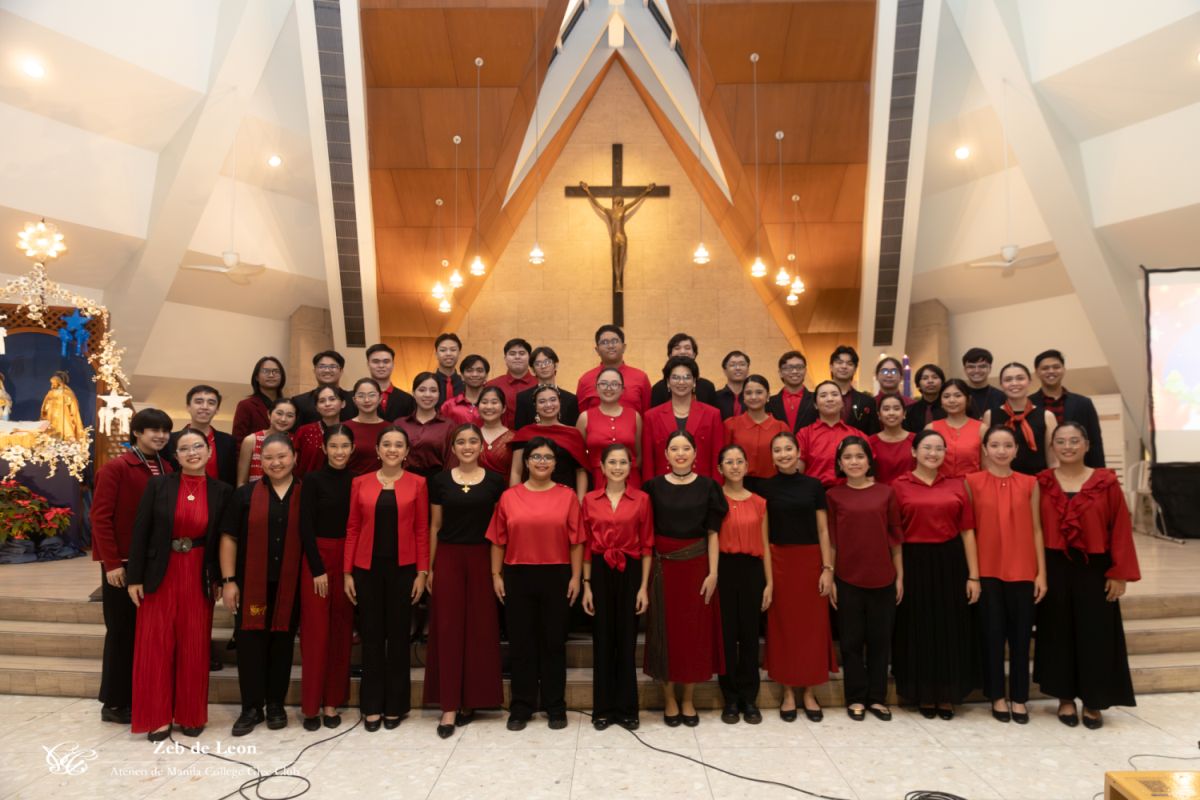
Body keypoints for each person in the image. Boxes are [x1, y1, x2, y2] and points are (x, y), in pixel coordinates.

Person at [127, 427, 233, 741]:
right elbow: (140, 531)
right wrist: (134, 577)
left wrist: (220, 577)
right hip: (160, 572)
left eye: (197, 446)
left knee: (194, 645)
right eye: (184, 448)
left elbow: (220, 541)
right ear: (175, 456)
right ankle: (157, 717)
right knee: (155, 645)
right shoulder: (158, 485)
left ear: (209, 452)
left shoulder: (222, 491)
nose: (192, 453)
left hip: (198, 572)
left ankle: (190, 715)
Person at [1035, 421, 1140, 730]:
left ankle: (1094, 699)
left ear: (1087, 445)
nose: (1068, 446)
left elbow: (1120, 528)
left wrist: (1118, 573)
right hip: (1054, 566)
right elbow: (1034, 530)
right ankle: (1065, 698)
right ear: (1052, 446)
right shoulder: (1041, 482)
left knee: (1097, 634)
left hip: (1095, 568)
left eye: (1074, 441)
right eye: (1061, 441)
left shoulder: (1105, 482)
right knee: (1056, 631)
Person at [488, 438, 586, 731]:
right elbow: (498, 539)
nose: (542, 462)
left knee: (554, 643)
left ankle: (555, 706)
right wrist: (496, 575)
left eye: (547, 457)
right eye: (536, 457)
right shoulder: (510, 497)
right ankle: (522, 706)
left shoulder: (567, 496)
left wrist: (576, 577)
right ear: (526, 462)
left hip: (557, 574)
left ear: (556, 464)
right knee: (521, 644)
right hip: (517, 574)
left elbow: (577, 540)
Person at [344, 427, 430, 731]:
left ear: (406, 452)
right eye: (387, 445)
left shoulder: (418, 483)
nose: (392, 450)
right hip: (366, 569)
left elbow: (422, 530)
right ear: (377, 450)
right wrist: (347, 572)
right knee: (371, 638)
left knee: (397, 638)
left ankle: (395, 705)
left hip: (403, 569)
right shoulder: (360, 483)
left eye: (398, 445)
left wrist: (422, 571)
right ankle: (371, 706)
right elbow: (353, 528)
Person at [91, 408, 174, 725]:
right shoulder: (117, 467)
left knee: (145, 634)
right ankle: (113, 702)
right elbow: (100, 519)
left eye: (165, 430)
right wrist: (111, 563)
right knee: (122, 633)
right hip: (123, 564)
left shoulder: (165, 467)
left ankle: (138, 694)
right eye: (153, 429)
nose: (160, 436)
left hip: (152, 564)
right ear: (137, 432)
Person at [219, 433, 305, 736]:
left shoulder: (305, 493)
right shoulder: (245, 494)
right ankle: (250, 707)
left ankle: (275, 704)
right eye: (268, 457)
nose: (276, 462)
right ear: (261, 461)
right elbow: (229, 537)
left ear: (294, 457)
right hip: (250, 584)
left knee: (282, 645)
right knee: (250, 646)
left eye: (282, 456)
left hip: (290, 586)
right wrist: (229, 581)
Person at [891, 429, 981, 719]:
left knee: (949, 628)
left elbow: (968, 531)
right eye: (927, 448)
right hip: (914, 561)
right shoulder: (899, 485)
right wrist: (899, 575)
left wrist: (974, 576)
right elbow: (896, 535)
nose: (933, 453)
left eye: (939, 448)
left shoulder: (957, 484)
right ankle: (923, 692)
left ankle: (947, 693)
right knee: (917, 628)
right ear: (914, 452)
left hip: (951, 562)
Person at [642, 431, 728, 727]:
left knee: (694, 633)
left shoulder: (709, 487)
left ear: (695, 453)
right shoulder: (651, 488)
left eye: (686, 448)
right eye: (674, 448)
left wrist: (713, 573)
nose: (680, 453)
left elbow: (713, 533)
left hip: (697, 567)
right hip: (662, 567)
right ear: (665, 454)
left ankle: (688, 698)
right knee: (665, 632)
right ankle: (668, 699)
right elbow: (646, 535)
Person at [425, 425, 506, 738]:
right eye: (461, 442)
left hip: (483, 557)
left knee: (480, 628)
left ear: (481, 447)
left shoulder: (495, 482)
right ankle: (448, 705)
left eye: (473, 441)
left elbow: (499, 531)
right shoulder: (440, 481)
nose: (468, 446)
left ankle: (472, 699)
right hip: (448, 557)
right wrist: (429, 568)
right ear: (453, 448)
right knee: (447, 628)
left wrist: (497, 571)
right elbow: (435, 526)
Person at [749, 432, 835, 722]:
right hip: (781, 560)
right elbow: (763, 535)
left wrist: (827, 568)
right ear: (771, 456)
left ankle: (809, 692)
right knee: (783, 627)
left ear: (799, 452)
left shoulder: (814, 486)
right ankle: (787, 692)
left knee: (812, 628)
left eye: (789, 449)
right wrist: (769, 576)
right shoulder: (765, 488)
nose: (784, 454)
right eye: (777, 450)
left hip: (811, 561)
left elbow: (824, 531)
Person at [966, 426, 1046, 725]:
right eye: (995, 445)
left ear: (1016, 450)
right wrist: (972, 574)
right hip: (987, 570)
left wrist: (1042, 574)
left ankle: (1021, 698)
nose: (1001, 451)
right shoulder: (971, 482)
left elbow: (1038, 529)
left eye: (1007, 445)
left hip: (1023, 570)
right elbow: (969, 531)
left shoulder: (1030, 483)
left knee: (1022, 637)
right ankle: (997, 695)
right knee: (992, 635)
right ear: (985, 449)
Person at [826, 436, 903, 722]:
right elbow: (831, 541)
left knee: (880, 641)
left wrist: (900, 576)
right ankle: (855, 697)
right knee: (851, 641)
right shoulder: (834, 496)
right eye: (848, 457)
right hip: (848, 578)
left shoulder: (886, 493)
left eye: (859, 456)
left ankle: (877, 698)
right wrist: (831, 576)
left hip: (883, 577)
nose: (854, 462)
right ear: (840, 463)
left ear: (869, 460)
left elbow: (895, 537)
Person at [581, 443, 653, 731]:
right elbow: (585, 545)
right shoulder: (589, 500)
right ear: (602, 465)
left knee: (626, 639)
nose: (618, 467)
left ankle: (627, 708)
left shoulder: (642, 499)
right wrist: (586, 585)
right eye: (612, 462)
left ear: (630, 466)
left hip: (631, 570)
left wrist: (643, 587)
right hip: (598, 569)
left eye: (623, 462)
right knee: (602, 638)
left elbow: (647, 544)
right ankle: (603, 708)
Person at [298, 424, 355, 731]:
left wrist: (349, 568)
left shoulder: (357, 482)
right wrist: (317, 568)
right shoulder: (312, 479)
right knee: (316, 634)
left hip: (346, 558)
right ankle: (310, 706)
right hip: (316, 560)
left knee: (341, 633)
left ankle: (332, 703)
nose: (339, 452)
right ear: (324, 449)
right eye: (334, 446)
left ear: (352, 449)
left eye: (344, 446)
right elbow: (305, 525)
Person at [714, 444, 771, 725]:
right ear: (719, 468)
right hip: (724, 569)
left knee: (749, 636)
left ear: (747, 466)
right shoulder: (714, 499)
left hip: (751, 571)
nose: (735, 466)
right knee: (726, 636)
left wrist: (769, 582)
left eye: (739, 461)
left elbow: (765, 545)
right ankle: (730, 698)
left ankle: (749, 698)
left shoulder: (760, 502)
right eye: (729, 462)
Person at [641, 356, 724, 481]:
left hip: (702, 487)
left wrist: (716, 490)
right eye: (675, 377)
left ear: (695, 382)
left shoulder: (712, 414)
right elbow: (648, 461)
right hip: (663, 487)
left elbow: (717, 456)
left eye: (687, 377)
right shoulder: (651, 416)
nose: (681, 382)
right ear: (668, 382)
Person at [510, 385, 589, 499]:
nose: (548, 405)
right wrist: (515, 499)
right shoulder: (524, 433)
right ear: (535, 407)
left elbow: (580, 471)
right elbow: (516, 471)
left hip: (565, 497)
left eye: (553, 400)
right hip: (531, 496)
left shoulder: (573, 434)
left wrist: (580, 501)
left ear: (560, 403)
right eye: (542, 401)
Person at [1031, 349, 1106, 468]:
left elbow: (1095, 443)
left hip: (1079, 472)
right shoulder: (1029, 404)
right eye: (1045, 368)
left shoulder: (1083, 403)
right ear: (1037, 373)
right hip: (1041, 474)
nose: (1051, 371)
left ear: (1064, 370)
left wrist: (1100, 476)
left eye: (1056, 367)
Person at [981, 363, 1058, 475]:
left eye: (1020, 378)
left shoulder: (1047, 416)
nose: (1014, 383)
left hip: (1037, 481)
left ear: (1029, 381)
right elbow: (987, 459)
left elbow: (1053, 461)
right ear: (1001, 384)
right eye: (1008, 380)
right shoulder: (990, 415)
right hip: (1001, 482)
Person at [577, 367, 642, 489]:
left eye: (614, 384)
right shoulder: (584, 417)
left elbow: (639, 455)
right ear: (596, 388)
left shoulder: (634, 416)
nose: (608, 388)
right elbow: (579, 459)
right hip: (597, 481)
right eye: (603, 384)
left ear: (623, 389)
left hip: (630, 482)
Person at [164, 385, 238, 486]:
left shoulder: (228, 441)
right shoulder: (170, 440)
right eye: (198, 402)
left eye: (211, 403)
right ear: (188, 407)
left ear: (217, 410)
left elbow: (232, 478)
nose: (204, 407)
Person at [797, 380, 865, 487]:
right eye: (823, 395)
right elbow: (797, 473)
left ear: (842, 403)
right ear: (815, 404)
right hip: (815, 495)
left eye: (834, 394)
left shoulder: (857, 434)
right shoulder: (804, 434)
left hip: (849, 492)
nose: (830, 399)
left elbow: (868, 471)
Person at [576, 324, 653, 414]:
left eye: (615, 341)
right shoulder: (585, 380)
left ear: (624, 347)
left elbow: (648, 415)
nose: (610, 346)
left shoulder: (641, 378)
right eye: (604, 342)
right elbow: (580, 418)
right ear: (597, 350)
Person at [723, 374, 788, 479]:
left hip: (773, 486)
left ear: (768, 396)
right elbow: (723, 458)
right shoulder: (730, 425)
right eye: (748, 393)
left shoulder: (780, 427)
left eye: (759, 392)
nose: (753, 397)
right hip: (738, 485)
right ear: (743, 397)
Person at [395, 372, 455, 478]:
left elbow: (452, 461)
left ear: (439, 394)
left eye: (433, 390)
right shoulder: (400, 424)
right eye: (422, 390)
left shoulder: (449, 426)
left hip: (438, 480)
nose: (427, 395)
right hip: (404, 479)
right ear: (413, 393)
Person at [236, 398, 297, 486]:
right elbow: (241, 482)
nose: (283, 419)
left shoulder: (296, 441)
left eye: (290, 415)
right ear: (269, 414)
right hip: (255, 495)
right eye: (279, 413)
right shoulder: (251, 440)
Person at [515, 346, 579, 429]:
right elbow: (520, 431)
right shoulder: (522, 398)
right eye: (538, 364)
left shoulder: (571, 399)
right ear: (532, 370)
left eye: (547, 362)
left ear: (555, 366)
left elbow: (573, 431)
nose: (543, 366)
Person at [930, 379, 983, 479]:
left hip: (971, 488)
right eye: (946, 396)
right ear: (941, 401)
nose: (952, 400)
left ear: (968, 399)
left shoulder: (981, 428)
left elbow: (986, 467)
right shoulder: (931, 428)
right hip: (938, 487)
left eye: (958, 395)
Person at [650, 333, 719, 407]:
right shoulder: (658, 389)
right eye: (677, 348)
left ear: (694, 354)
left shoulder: (707, 387)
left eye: (687, 348)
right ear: (670, 355)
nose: (682, 352)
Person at [343, 378, 392, 475]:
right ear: (354, 400)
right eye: (361, 396)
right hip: (351, 484)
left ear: (380, 398)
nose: (366, 400)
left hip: (384, 484)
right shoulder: (344, 428)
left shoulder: (390, 429)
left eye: (372, 395)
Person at [293, 385, 346, 477]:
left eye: (332, 399)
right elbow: (293, 463)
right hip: (307, 486)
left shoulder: (349, 430)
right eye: (322, 401)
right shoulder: (304, 431)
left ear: (343, 403)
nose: (327, 404)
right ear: (316, 407)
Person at [232, 356, 287, 444]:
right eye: (266, 371)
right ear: (257, 377)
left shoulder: (289, 406)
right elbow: (238, 441)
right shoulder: (246, 405)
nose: (271, 375)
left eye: (276, 371)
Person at [292, 351, 355, 426]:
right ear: (314, 371)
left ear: (341, 371)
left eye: (333, 366)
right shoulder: (300, 402)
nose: (327, 370)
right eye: (321, 366)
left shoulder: (353, 399)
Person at [486, 338, 538, 429]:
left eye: (522, 353)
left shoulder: (540, 384)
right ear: (505, 358)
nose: (517, 357)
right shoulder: (491, 385)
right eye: (512, 353)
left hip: (535, 439)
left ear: (529, 357)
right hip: (501, 439)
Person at [828, 346, 879, 435]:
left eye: (849, 363)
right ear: (831, 367)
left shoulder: (867, 402)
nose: (844, 366)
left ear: (855, 369)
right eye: (839, 362)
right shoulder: (816, 399)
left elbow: (873, 435)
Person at [766, 350, 817, 433]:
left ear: (805, 371)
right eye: (789, 368)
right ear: (780, 373)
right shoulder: (769, 403)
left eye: (799, 367)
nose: (795, 371)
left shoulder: (816, 399)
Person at [868, 395, 914, 485]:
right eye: (886, 409)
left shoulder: (916, 440)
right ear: (879, 415)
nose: (891, 413)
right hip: (880, 494)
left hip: (911, 493)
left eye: (896, 409)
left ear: (904, 414)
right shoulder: (870, 442)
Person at [366, 343, 416, 422]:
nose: (381, 365)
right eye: (376, 361)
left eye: (386, 361)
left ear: (393, 364)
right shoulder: (356, 398)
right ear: (368, 364)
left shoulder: (407, 400)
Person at [441, 354, 489, 426]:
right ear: (462, 376)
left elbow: (504, 431)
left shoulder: (494, 405)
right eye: (469, 370)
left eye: (480, 370)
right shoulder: (449, 405)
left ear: (486, 376)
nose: (475, 374)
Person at [478, 386, 516, 477]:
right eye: (484, 402)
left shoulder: (514, 438)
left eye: (494, 402)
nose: (489, 407)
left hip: (505, 489)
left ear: (504, 408)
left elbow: (516, 472)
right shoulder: (472, 435)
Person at [40, 371, 86, 441]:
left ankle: (66, 439)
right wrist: (47, 407)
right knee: (51, 430)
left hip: (63, 415)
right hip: (51, 414)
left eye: (54, 383)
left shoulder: (66, 393)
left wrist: (72, 413)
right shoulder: (50, 393)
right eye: (52, 383)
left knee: (65, 428)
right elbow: (45, 404)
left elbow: (72, 405)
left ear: (59, 382)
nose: (53, 385)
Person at [962, 347, 1005, 420]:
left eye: (982, 366)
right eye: (971, 367)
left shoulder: (1001, 397)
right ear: (965, 370)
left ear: (990, 368)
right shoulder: (959, 395)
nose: (976, 371)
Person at [903, 363, 945, 433]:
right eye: (925, 378)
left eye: (935, 377)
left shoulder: (949, 408)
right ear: (918, 385)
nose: (930, 381)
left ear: (942, 383)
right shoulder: (909, 411)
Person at [714, 350, 750, 420]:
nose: (738, 368)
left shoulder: (754, 398)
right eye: (732, 365)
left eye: (742, 364)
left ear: (748, 369)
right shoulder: (715, 398)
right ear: (725, 371)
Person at [433, 333, 465, 405]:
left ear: (459, 353)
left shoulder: (466, 384)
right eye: (443, 350)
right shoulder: (428, 384)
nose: (448, 353)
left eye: (453, 350)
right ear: (436, 354)